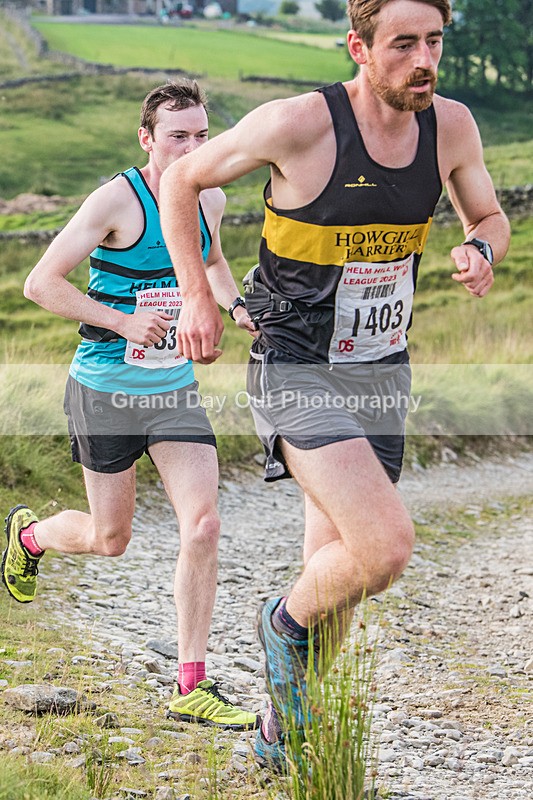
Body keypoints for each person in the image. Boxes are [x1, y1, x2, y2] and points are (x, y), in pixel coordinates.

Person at [158, 0, 511, 769]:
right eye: (402, 45)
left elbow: (486, 212)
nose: (423, 60)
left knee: (341, 575)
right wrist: (194, 297)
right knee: (382, 548)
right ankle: (279, 623)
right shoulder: (299, 124)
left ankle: (280, 738)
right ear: (358, 46)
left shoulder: (449, 125)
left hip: (380, 367)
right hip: (293, 359)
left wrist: (482, 246)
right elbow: (179, 180)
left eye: (434, 43)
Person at [2, 80, 259, 731]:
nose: (194, 147)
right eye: (179, 136)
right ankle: (29, 536)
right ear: (147, 139)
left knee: (202, 524)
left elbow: (216, 260)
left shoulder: (211, 195)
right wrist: (121, 321)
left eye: (203, 135)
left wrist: (234, 304)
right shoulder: (118, 198)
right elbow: (40, 284)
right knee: (108, 539)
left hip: (172, 391)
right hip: (104, 391)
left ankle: (190, 683)